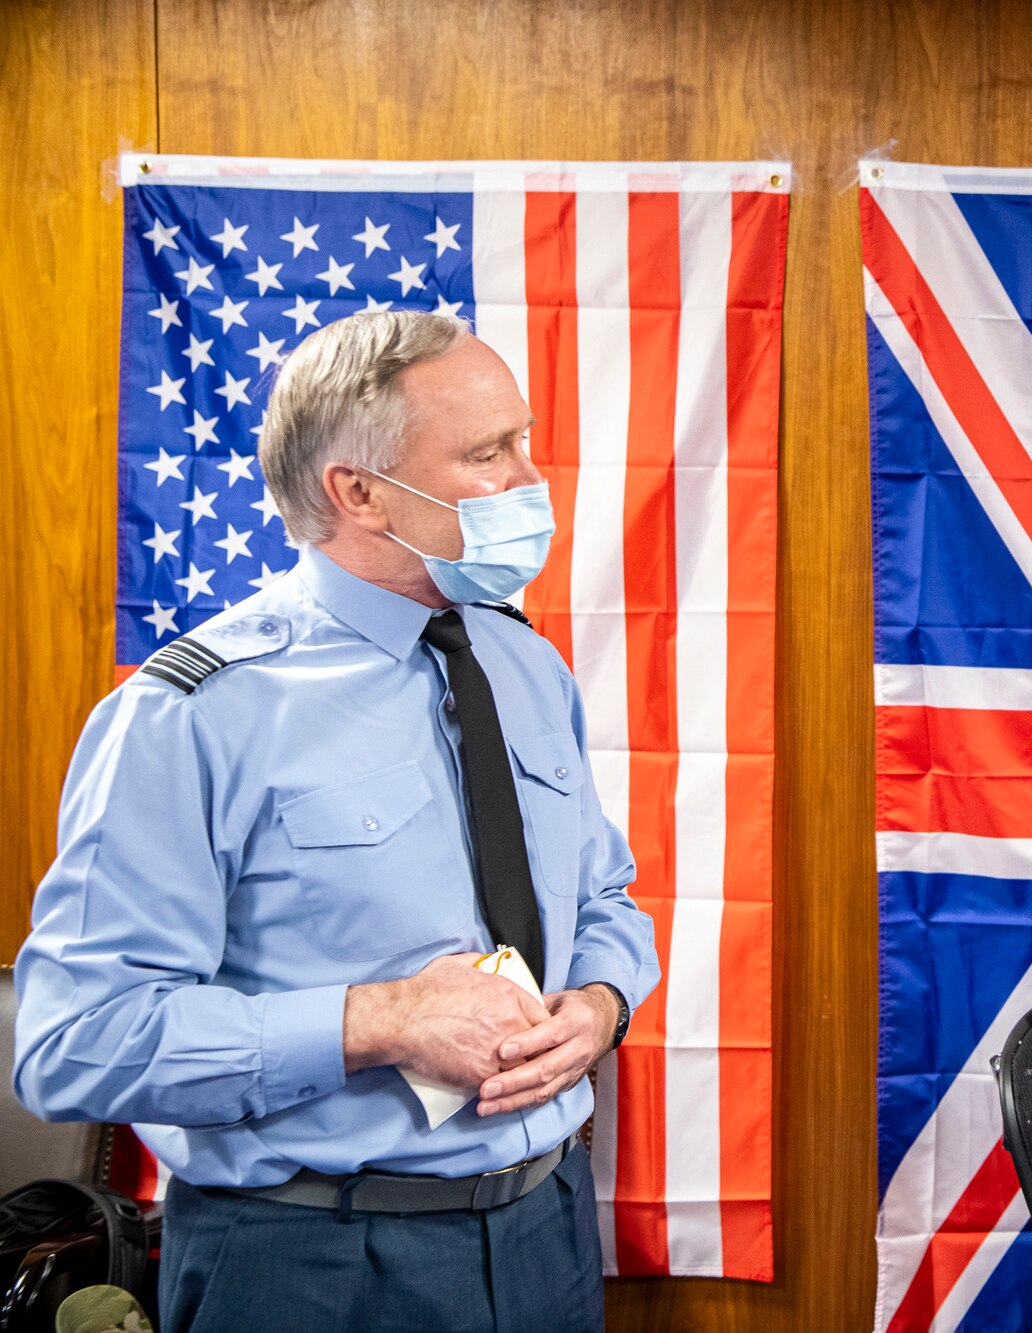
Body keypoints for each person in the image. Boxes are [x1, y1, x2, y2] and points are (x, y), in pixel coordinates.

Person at [13, 311, 659, 1333]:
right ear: (356, 492)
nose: (531, 481)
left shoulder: (523, 666)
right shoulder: (194, 713)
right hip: (311, 1262)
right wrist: (378, 1021)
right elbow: (74, 1043)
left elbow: (606, 898)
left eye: (524, 440)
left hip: (546, 1232)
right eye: (489, 453)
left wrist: (601, 1001)